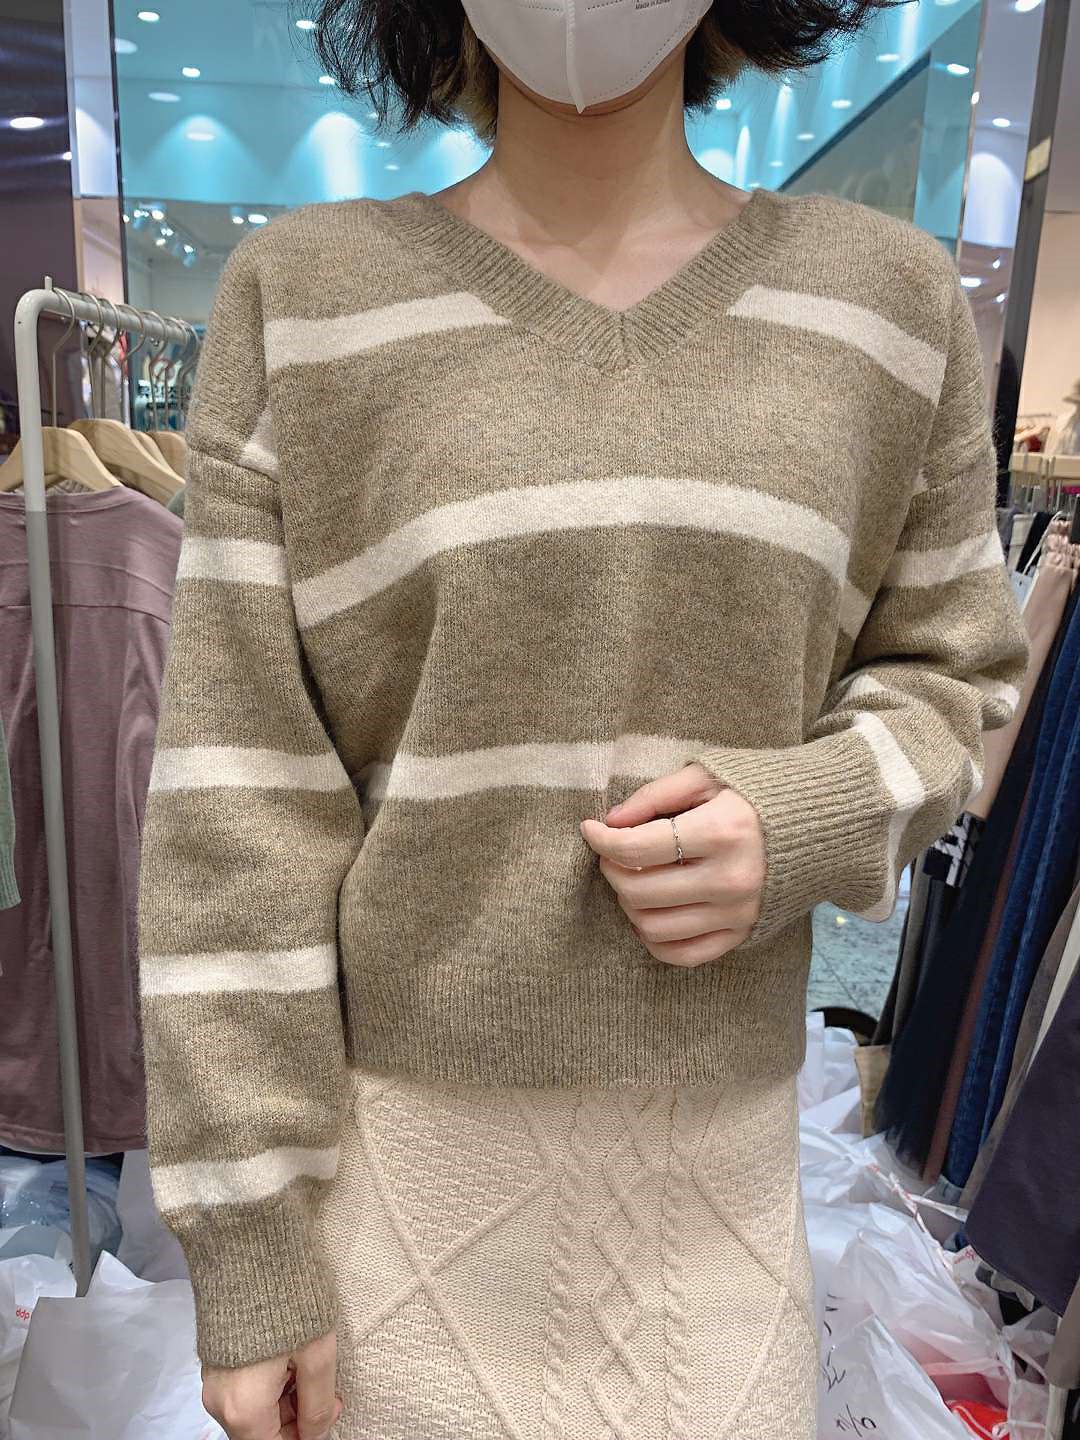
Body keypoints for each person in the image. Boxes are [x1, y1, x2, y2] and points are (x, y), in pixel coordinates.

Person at [135, 1, 1030, 1437]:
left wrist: (805, 816)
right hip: (397, 1239)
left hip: (721, 1236)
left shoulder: (889, 308)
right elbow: (238, 814)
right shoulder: (302, 304)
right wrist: (249, 1249)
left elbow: (955, 673)